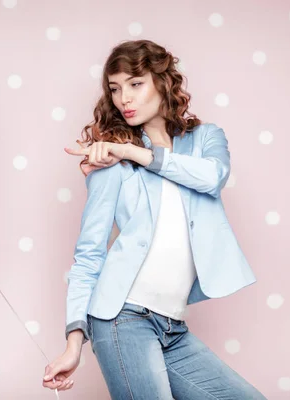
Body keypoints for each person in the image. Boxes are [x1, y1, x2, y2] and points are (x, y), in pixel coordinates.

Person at [41, 39, 267, 399]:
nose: (123, 99)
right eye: (114, 89)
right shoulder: (110, 162)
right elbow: (89, 255)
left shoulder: (204, 138)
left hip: (173, 325)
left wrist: (136, 152)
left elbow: (212, 177)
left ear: (162, 82)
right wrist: (74, 342)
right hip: (121, 319)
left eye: (135, 84)